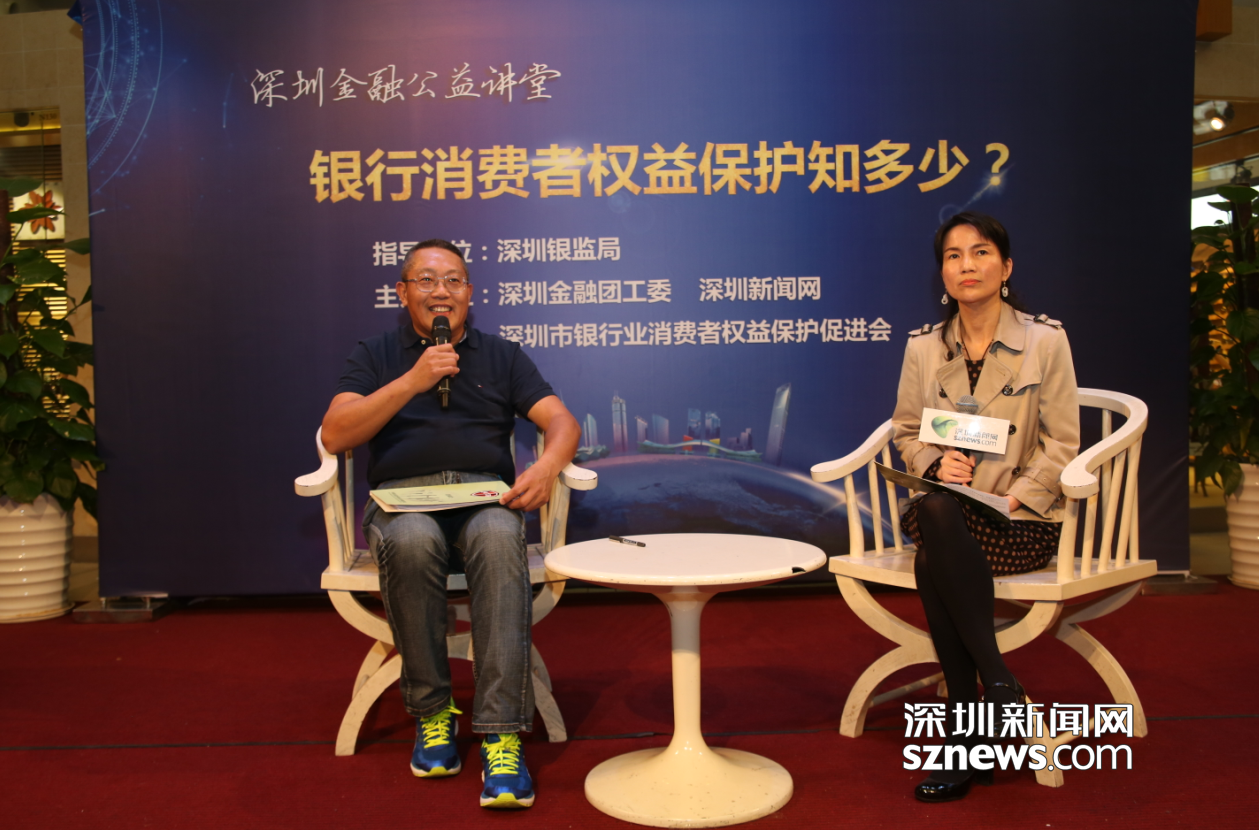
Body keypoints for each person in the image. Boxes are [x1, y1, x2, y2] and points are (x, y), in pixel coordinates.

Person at [321, 239, 580, 809]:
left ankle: (502, 735)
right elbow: (335, 434)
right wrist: (411, 381)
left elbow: (561, 420)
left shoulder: (501, 355)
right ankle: (433, 713)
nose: (442, 291)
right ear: (403, 292)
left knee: (499, 534)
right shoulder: (376, 353)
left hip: (483, 497)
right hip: (402, 502)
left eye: (454, 280)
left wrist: (546, 466)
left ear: (469, 292)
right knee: (413, 541)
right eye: (427, 280)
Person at [891, 212, 1080, 803]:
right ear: (942, 273)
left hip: (1016, 519)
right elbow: (905, 431)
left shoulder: (1045, 341)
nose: (966, 265)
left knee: (933, 556)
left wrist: (1020, 493)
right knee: (938, 512)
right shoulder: (924, 347)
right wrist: (932, 464)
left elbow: (1063, 442)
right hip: (948, 509)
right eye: (953, 256)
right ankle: (997, 683)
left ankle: (966, 728)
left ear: (1006, 266)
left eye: (980, 252)